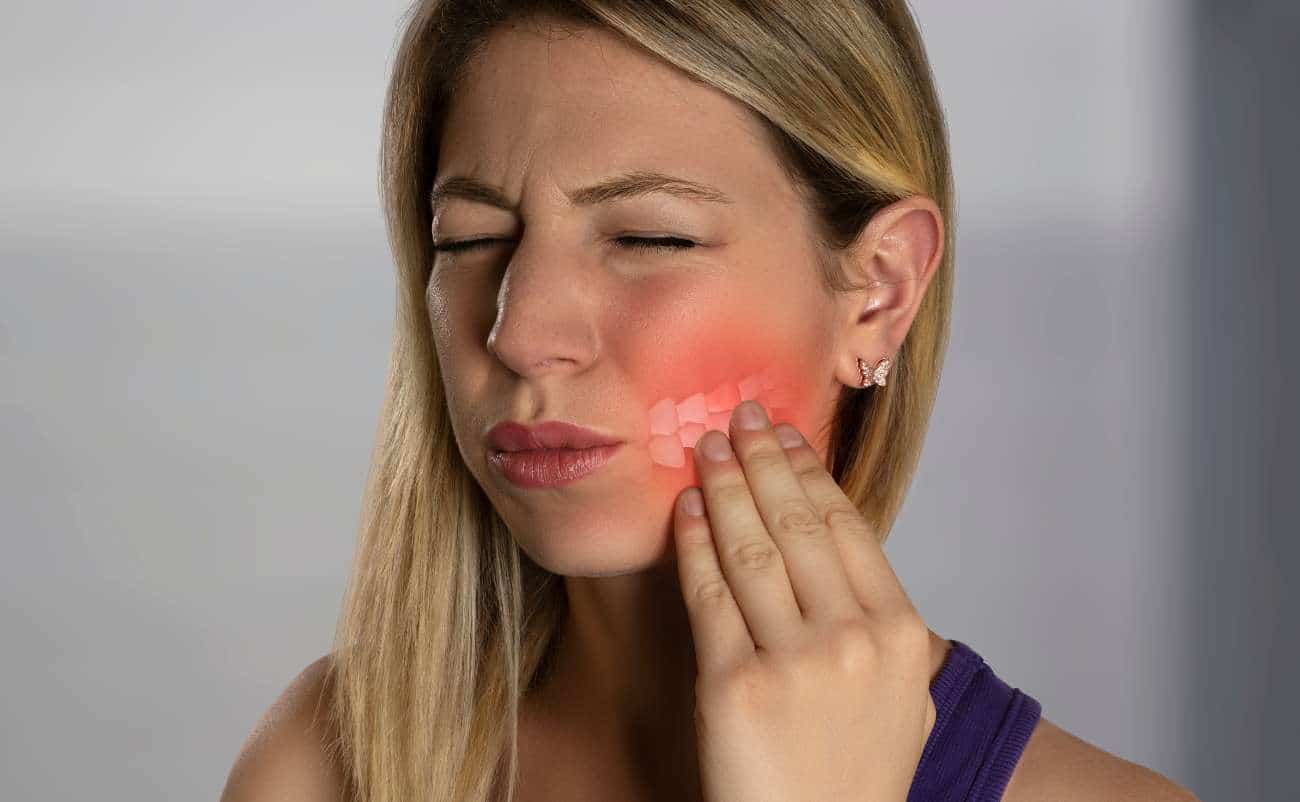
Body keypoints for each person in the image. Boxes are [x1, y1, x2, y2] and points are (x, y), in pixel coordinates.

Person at [220, 2, 1199, 800]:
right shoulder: (323, 767)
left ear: (879, 292)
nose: (518, 332)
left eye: (649, 237)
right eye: (470, 240)